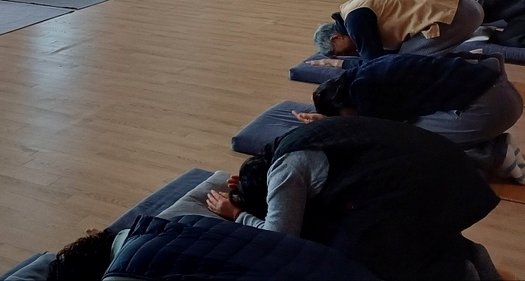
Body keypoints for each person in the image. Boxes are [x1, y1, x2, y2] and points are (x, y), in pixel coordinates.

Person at [204, 117, 502, 280]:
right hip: (451, 167)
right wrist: (244, 183)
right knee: (402, 227)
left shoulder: (285, 172)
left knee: (356, 254)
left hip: (432, 185)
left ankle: (459, 272)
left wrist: (237, 215)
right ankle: (470, 255)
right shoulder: (290, 141)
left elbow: (280, 238)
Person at [299, 53, 525, 184]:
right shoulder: (366, 72)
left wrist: (331, 127)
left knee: (412, 142)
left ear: (342, 105)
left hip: (492, 107)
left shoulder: (363, 90)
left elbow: (373, 138)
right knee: (411, 127)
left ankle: (493, 153)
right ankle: (490, 142)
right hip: (503, 93)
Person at [311, 0, 483, 68]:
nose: (350, 54)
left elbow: (375, 65)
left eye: (342, 52)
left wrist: (339, 65)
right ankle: (482, 62)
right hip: (466, 7)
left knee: (403, 65)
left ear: (336, 37)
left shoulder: (355, 21)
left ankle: (482, 69)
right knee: (411, 57)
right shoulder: (350, 11)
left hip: (458, 13)